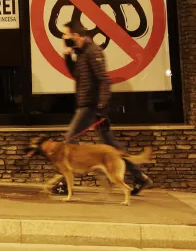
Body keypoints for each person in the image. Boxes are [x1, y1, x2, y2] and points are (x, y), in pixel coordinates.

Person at [52, 20, 152, 196]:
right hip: (88, 105)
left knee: (68, 141)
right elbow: (76, 75)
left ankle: (64, 184)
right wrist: (68, 55)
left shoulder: (93, 52)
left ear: (76, 35)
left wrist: (101, 107)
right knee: (110, 145)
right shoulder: (82, 53)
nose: (65, 38)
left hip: (91, 107)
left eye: (67, 35)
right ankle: (140, 176)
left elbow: (104, 80)